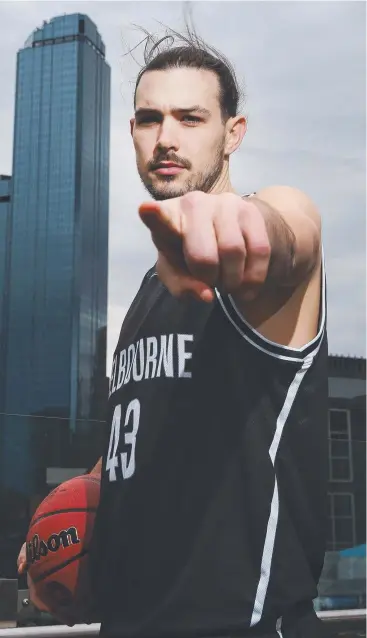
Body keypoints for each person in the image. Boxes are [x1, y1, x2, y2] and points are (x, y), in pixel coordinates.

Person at [18, 27, 329, 638]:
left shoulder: (258, 263)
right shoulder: (145, 295)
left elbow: (292, 232)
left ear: (232, 133)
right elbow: (132, 448)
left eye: (191, 118)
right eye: (148, 119)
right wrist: (59, 528)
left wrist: (248, 223)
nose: (166, 138)